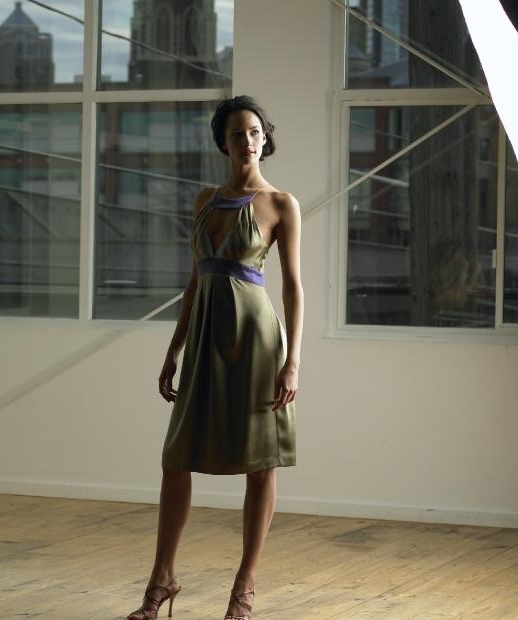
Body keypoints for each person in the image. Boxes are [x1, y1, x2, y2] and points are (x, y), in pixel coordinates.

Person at [128, 95, 303, 620]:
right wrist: (172, 347)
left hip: (255, 341)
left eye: (253, 132)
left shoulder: (281, 204)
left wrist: (293, 360)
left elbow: (293, 288)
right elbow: (195, 280)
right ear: (222, 142)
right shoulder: (205, 198)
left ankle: (243, 590)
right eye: (235, 134)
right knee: (176, 460)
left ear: (264, 137)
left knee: (260, 463)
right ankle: (162, 580)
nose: (246, 141)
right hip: (204, 338)